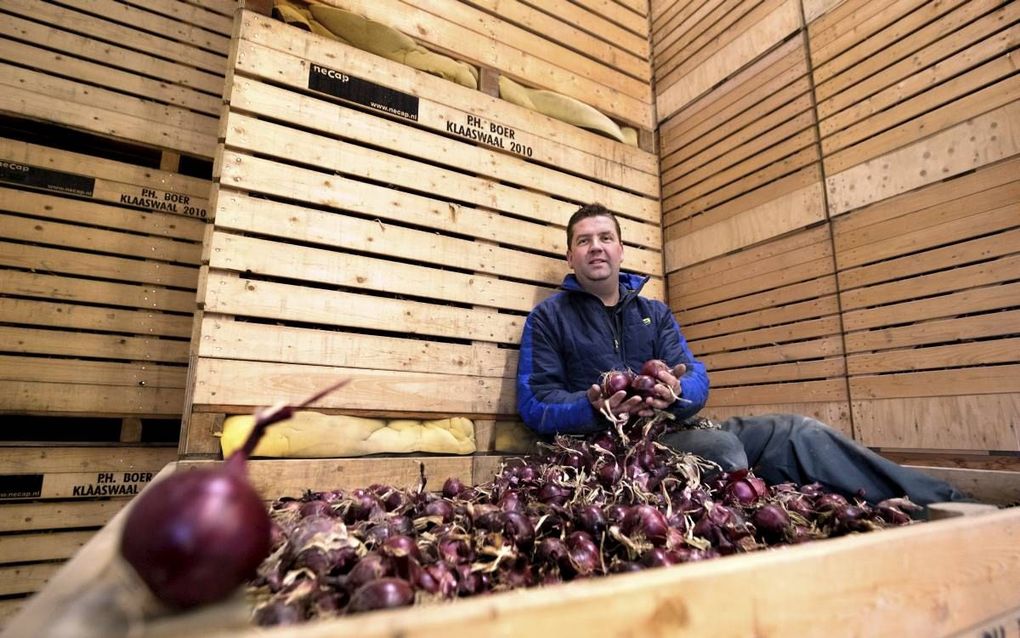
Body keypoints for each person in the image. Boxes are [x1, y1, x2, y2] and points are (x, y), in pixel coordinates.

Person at [516, 203, 970, 507]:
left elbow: (694, 376)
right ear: (570, 257)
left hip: (678, 427)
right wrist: (594, 408)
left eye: (605, 237)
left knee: (796, 432)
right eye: (584, 240)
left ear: (620, 249)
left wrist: (677, 394)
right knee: (722, 450)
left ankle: (947, 503)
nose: (596, 246)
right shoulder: (549, 319)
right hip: (616, 451)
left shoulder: (654, 313)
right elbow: (536, 403)